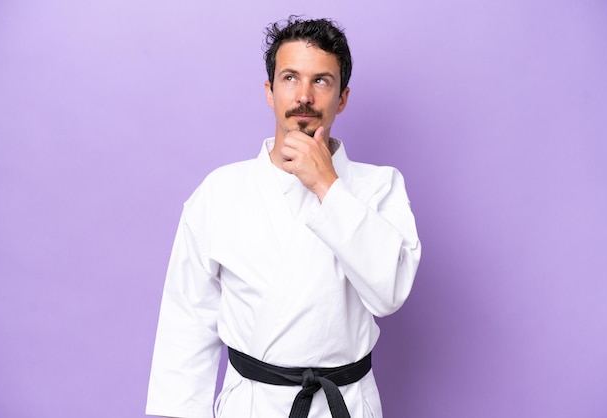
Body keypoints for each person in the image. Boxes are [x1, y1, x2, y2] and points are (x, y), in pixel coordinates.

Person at [146, 16, 421, 418]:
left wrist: (328, 185)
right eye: (290, 78)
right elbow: (186, 325)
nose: (304, 96)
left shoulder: (380, 186)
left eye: (322, 81)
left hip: (344, 404)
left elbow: (389, 293)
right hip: (253, 405)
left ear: (342, 98)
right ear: (270, 92)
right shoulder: (219, 192)